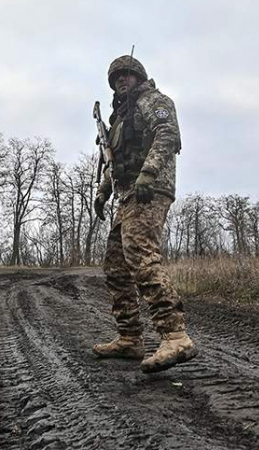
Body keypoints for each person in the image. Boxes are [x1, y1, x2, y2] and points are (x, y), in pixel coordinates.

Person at [92, 55, 198, 373]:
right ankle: (129, 338)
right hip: (127, 197)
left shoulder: (154, 100)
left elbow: (168, 134)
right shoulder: (119, 119)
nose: (121, 80)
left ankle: (175, 335)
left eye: (127, 75)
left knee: (141, 257)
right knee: (115, 266)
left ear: (139, 77)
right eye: (116, 78)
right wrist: (102, 192)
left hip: (150, 191)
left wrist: (149, 172)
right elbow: (114, 161)